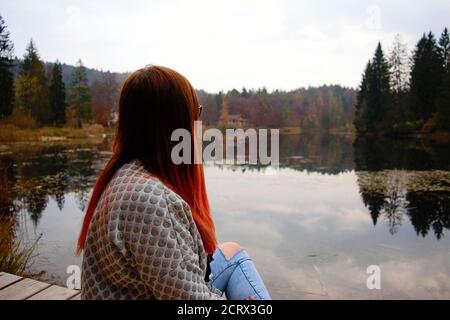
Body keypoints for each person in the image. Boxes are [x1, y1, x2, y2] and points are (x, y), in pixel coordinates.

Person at [76, 65, 271, 300]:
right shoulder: (150, 201)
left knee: (234, 253)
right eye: (195, 114)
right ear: (175, 126)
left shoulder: (127, 172)